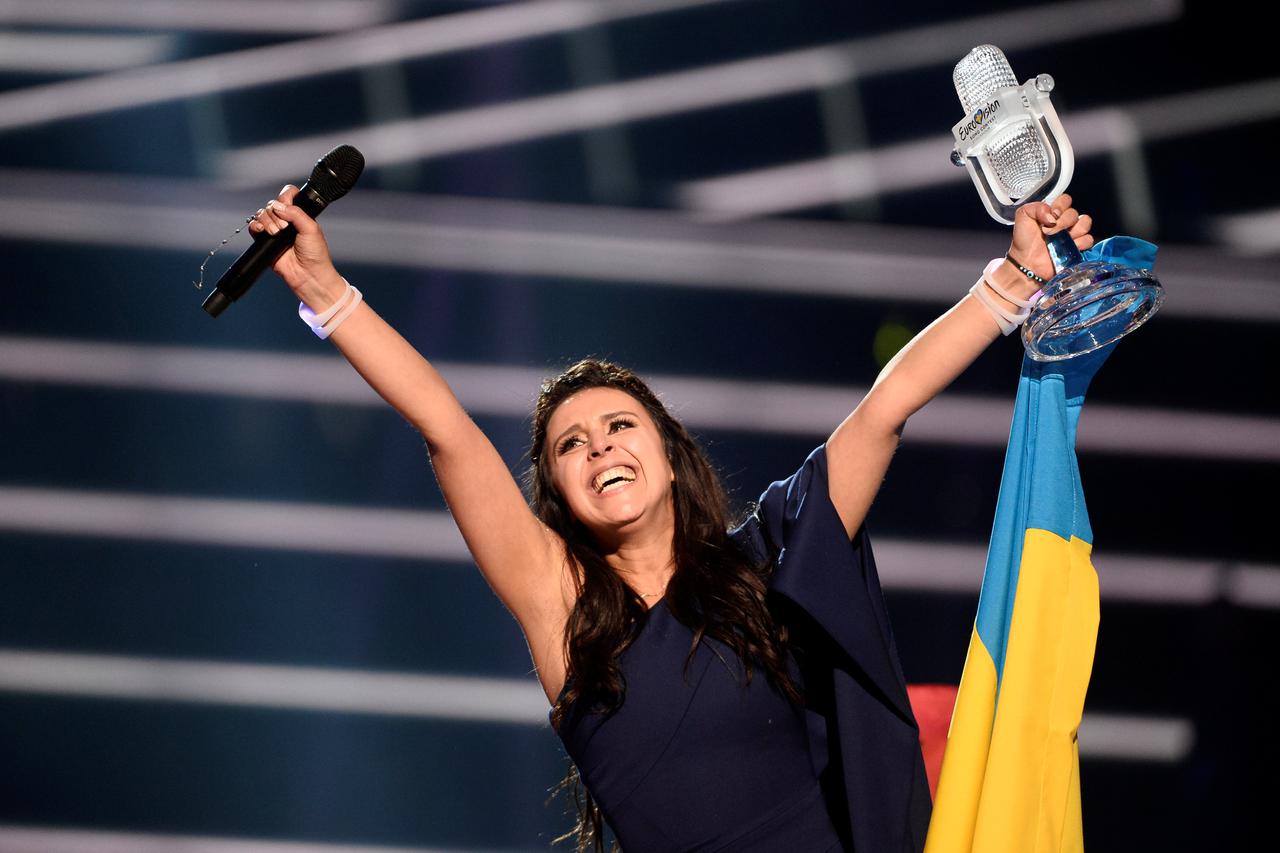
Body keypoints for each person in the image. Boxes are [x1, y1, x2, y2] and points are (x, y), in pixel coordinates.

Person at [247, 190, 1093, 852]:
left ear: (667, 449)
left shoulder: (769, 559)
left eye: (620, 425)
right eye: (571, 444)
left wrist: (1011, 283)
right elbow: (447, 430)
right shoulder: (562, 608)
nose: (599, 446)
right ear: (557, 491)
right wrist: (326, 294)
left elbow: (883, 410)